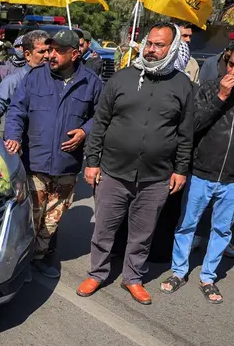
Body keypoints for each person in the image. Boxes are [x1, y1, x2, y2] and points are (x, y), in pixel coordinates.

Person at [78, 23, 193, 305]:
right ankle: (97, 272)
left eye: (159, 45)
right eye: (149, 43)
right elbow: (101, 123)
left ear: (172, 48)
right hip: (113, 172)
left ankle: (133, 278)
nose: (152, 50)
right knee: (104, 228)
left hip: (156, 177)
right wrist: (92, 163)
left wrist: (180, 169)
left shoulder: (183, 85)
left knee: (143, 233)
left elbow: (185, 132)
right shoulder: (121, 79)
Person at [159, 40, 234, 303]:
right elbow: (193, 126)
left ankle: (208, 277)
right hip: (201, 172)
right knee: (187, 224)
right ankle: (178, 271)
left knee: (222, 230)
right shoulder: (210, 88)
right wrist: (221, 96)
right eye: (231, 63)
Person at [3, 30, 103, 278]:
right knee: (31, 217)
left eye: (58, 50)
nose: (51, 55)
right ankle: (23, 263)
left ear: (75, 53)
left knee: (52, 219)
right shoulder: (34, 78)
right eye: (49, 50)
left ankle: (37, 258)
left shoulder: (92, 82)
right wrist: (13, 136)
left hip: (66, 165)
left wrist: (84, 131)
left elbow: (101, 117)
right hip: (34, 162)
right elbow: (17, 110)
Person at [0, 30, 50, 130]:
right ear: (27, 55)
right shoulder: (15, 80)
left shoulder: (57, 77)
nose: (47, 56)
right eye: (41, 52)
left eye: (49, 51)